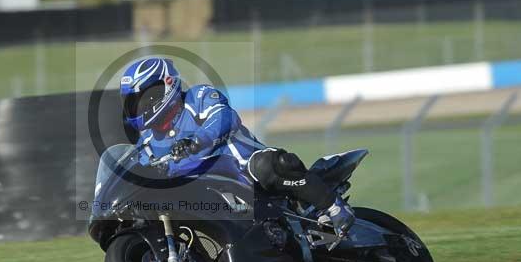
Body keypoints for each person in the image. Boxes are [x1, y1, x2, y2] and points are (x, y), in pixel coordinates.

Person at [120, 57, 355, 236]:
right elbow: (141, 173)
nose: (140, 107)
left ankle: (333, 206)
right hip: (205, 193)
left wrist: (196, 140)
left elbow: (224, 118)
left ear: (167, 83)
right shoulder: (147, 143)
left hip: (245, 171)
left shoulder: (198, 96)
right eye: (134, 103)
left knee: (269, 165)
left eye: (144, 98)